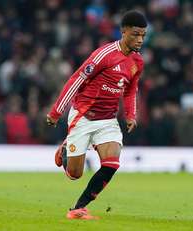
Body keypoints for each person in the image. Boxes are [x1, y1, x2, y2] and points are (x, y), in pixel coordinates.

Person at [46, 10, 147, 220]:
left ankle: (78, 208)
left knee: (112, 163)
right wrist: (57, 111)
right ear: (123, 31)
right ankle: (66, 149)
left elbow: (130, 89)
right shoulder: (105, 55)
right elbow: (76, 80)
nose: (140, 40)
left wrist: (130, 115)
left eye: (143, 35)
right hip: (83, 116)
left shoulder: (137, 62)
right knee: (75, 174)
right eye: (136, 34)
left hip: (108, 120)